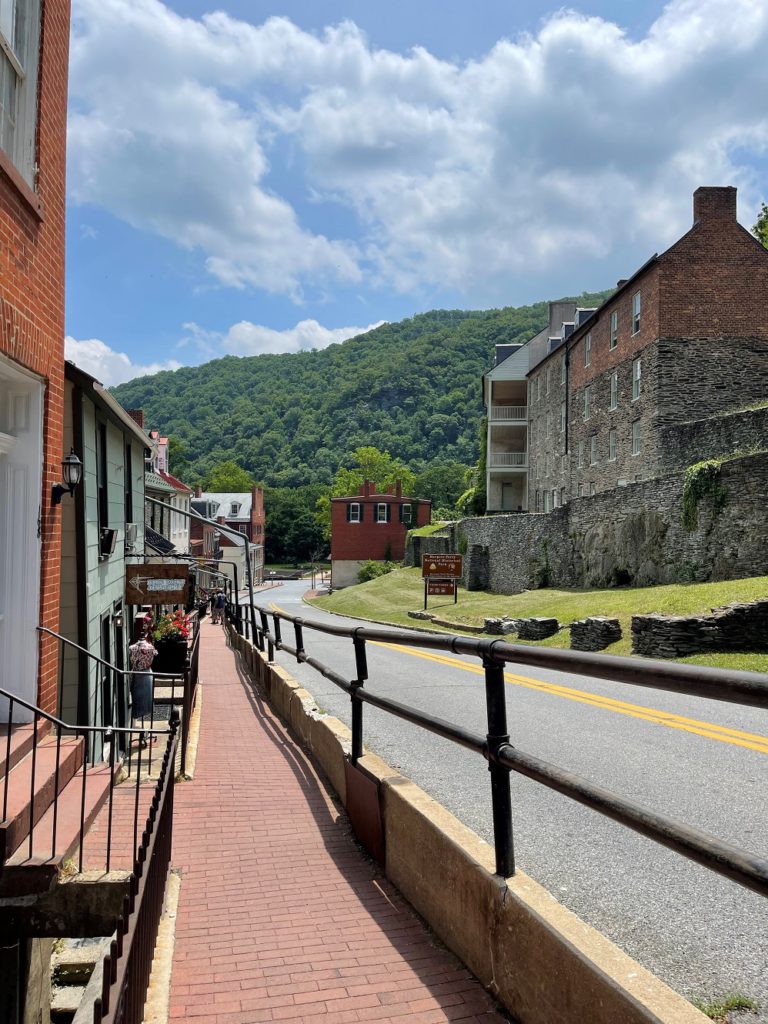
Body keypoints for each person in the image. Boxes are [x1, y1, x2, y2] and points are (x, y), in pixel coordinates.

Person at [129, 625, 157, 748]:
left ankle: (141, 728)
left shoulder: (132, 648)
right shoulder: (151, 647)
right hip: (147, 674)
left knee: (138, 700)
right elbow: (155, 654)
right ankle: (143, 729)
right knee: (144, 701)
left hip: (137, 675)